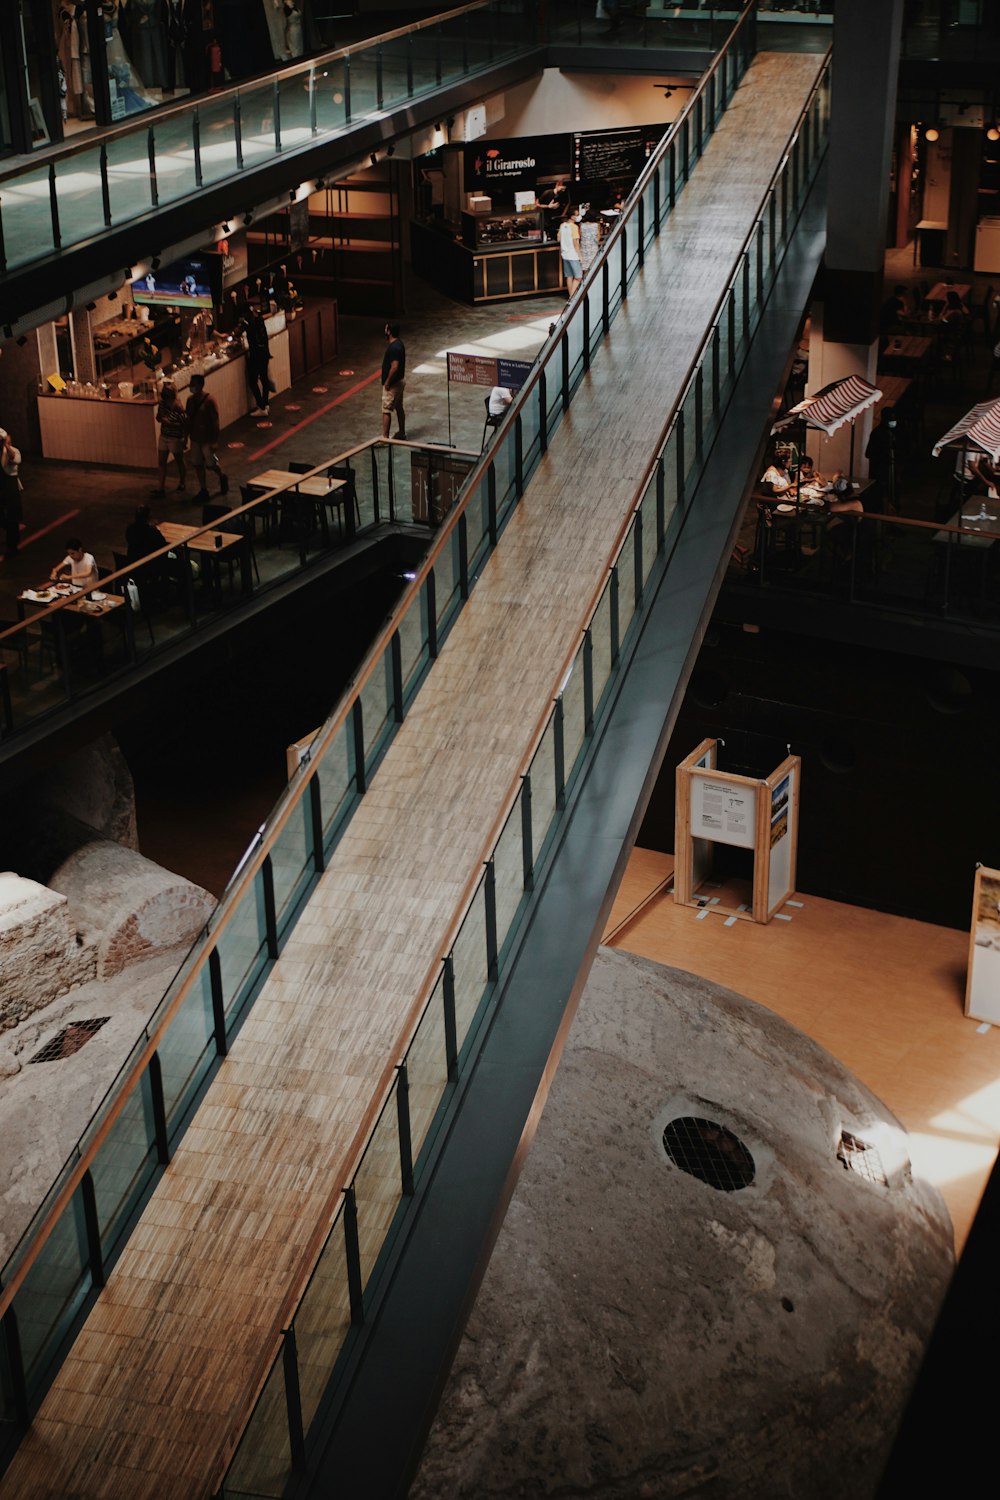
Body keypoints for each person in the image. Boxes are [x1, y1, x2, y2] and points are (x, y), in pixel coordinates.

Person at [185, 373, 228, 503]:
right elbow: (189, 420)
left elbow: (215, 422)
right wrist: (185, 437)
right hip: (195, 438)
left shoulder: (210, 401)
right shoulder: (190, 401)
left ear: (200, 385)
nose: (191, 386)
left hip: (207, 440)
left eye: (193, 384)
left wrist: (214, 441)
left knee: (210, 464)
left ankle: (222, 475)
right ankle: (203, 489)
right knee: (198, 464)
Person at [153, 381, 188, 496]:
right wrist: (164, 421)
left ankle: (182, 482)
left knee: (179, 461)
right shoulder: (163, 404)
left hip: (174, 438)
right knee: (161, 462)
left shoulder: (178, 407)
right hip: (164, 436)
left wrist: (184, 439)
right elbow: (159, 417)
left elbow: (184, 424)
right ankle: (160, 487)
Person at [242, 310, 272, 414]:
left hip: (256, 356)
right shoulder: (260, 321)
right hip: (265, 353)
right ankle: (266, 404)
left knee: (252, 381)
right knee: (264, 379)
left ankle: (261, 407)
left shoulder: (248, 323)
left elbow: (239, 331)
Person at [0, 428, 24, 559]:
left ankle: (12, 547)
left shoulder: (13, 451)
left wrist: (6, 446)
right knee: (5, 519)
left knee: (12, 518)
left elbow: (14, 459)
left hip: (10, 488)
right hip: (2, 488)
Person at [381, 321, 406, 439]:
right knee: (399, 407)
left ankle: (385, 438)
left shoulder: (394, 348)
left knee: (386, 409)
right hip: (400, 382)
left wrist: (387, 382)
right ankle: (402, 432)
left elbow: (394, 367)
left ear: (389, 332)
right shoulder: (399, 344)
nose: (385, 331)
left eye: (386, 329)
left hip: (393, 385)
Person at [559, 206, 583, 298]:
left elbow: (559, 238)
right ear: (572, 216)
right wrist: (580, 256)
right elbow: (576, 243)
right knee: (578, 277)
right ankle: (573, 297)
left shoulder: (562, 225)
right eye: (577, 215)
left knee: (569, 276)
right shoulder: (574, 227)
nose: (578, 217)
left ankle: (570, 296)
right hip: (573, 255)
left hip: (565, 254)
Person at [578, 209, 601, 274]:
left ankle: (586, 281)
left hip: (584, 249)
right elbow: (598, 237)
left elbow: (580, 236)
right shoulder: (596, 225)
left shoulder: (581, 225)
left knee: (585, 268)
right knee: (594, 266)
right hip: (593, 249)